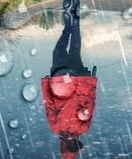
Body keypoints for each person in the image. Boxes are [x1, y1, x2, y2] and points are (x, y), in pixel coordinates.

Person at [41, 15, 97, 159]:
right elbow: (90, 102)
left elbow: (49, 105)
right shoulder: (77, 128)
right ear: (77, 144)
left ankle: (71, 26)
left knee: (66, 50)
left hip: (67, 80)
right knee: (69, 50)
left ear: (64, 145)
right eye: (74, 146)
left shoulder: (62, 128)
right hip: (71, 80)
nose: (72, 144)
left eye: (70, 147)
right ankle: (72, 25)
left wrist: (46, 84)